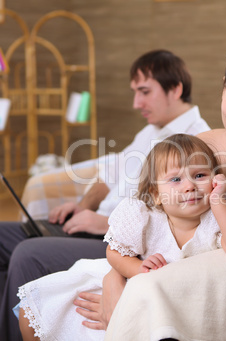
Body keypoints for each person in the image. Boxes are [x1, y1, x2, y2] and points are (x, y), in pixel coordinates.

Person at [74, 33, 226, 333]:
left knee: (33, 263)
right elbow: (159, 218)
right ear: (223, 89)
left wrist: (129, 286)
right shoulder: (205, 143)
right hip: (148, 261)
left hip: (181, 292)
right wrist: (116, 275)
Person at [0, 50, 211, 341]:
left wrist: (101, 223)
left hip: (120, 239)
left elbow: (177, 208)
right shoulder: (151, 131)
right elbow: (110, 172)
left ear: (175, 89)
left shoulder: (197, 140)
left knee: (27, 254)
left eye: (145, 92)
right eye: (135, 92)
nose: (137, 103)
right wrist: (82, 206)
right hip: (94, 225)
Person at [17, 134, 226, 341]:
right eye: (175, 179)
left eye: (200, 175)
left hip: (160, 305)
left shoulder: (216, 219)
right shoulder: (146, 216)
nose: (189, 186)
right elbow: (114, 252)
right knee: (34, 312)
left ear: (215, 181)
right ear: (156, 194)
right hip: (129, 282)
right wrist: (138, 267)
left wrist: (218, 201)